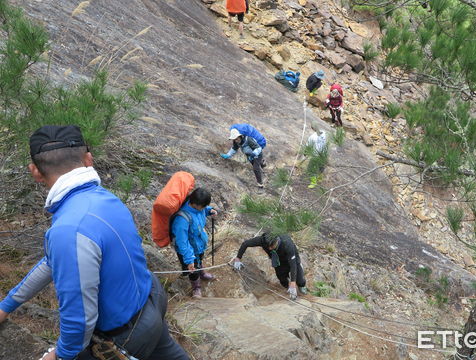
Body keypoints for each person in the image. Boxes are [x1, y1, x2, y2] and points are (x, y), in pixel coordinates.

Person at [0, 125, 189, 360]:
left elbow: (80, 319)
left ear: (35, 171)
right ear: (88, 159)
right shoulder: (104, 199)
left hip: (124, 337)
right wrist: (6, 305)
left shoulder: (70, 227)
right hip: (150, 301)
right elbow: (53, 262)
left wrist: (60, 355)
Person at [171, 187, 217, 298]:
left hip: (199, 246)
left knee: (199, 261)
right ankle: (196, 288)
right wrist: (189, 259)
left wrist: (210, 210)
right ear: (196, 204)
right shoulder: (182, 219)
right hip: (188, 252)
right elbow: (182, 242)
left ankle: (202, 273)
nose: (204, 208)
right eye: (204, 206)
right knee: (193, 270)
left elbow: (202, 212)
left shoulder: (198, 209)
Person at [232, 233, 307, 300]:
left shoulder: (287, 244)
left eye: (271, 246)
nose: (270, 249)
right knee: (282, 280)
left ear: (277, 241)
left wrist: (293, 282)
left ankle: (301, 286)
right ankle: (289, 289)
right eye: (268, 247)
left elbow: (293, 265)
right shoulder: (262, 240)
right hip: (278, 260)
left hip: (292, 259)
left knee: (300, 280)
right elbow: (245, 244)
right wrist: (238, 258)